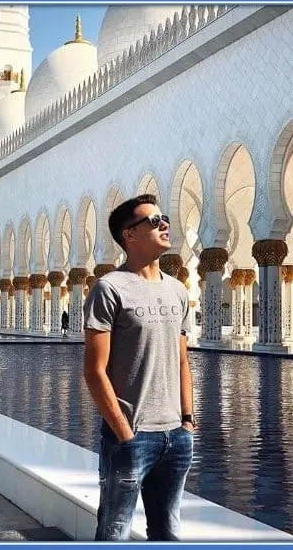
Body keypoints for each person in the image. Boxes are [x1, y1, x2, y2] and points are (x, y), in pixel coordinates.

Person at [83, 193, 195, 541]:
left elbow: (182, 360)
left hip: (175, 437)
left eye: (164, 219)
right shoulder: (109, 288)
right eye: (153, 220)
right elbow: (94, 371)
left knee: (168, 532)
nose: (164, 224)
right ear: (128, 236)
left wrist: (188, 421)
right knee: (114, 531)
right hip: (131, 436)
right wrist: (124, 433)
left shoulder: (177, 290)